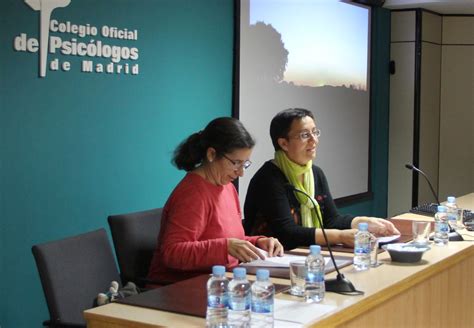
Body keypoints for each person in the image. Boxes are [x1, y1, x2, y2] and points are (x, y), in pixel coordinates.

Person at [147, 117, 284, 284]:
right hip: (180, 288)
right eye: (236, 163)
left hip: (221, 282)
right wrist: (225, 247)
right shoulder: (192, 194)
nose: (240, 173)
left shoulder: (226, 186)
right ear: (211, 154)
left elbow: (228, 238)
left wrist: (257, 242)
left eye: (245, 164)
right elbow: (172, 253)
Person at [243, 108, 400, 250]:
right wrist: (340, 236)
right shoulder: (268, 179)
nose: (314, 140)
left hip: (306, 254)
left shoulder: (315, 173)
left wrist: (364, 223)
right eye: (305, 135)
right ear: (284, 143)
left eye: (315, 132)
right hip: (272, 260)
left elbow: (331, 220)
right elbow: (287, 234)